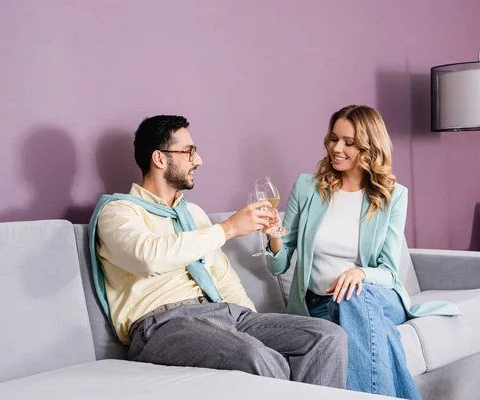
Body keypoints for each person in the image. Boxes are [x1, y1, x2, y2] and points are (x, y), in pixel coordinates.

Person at [89, 115, 348, 388]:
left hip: (224, 314)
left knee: (327, 336)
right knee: (253, 355)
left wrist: (253, 323)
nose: (198, 160)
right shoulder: (118, 212)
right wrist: (228, 229)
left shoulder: (192, 214)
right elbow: (148, 258)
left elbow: (222, 277)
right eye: (189, 152)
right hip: (163, 326)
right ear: (159, 159)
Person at [265, 105, 461, 398]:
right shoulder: (307, 188)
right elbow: (278, 266)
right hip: (321, 303)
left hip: (380, 297)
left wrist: (358, 273)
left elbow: (388, 272)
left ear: (369, 148)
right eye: (333, 139)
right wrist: (272, 237)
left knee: (354, 294)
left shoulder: (393, 196)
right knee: (380, 335)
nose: (336, 148)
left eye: (349, 142)